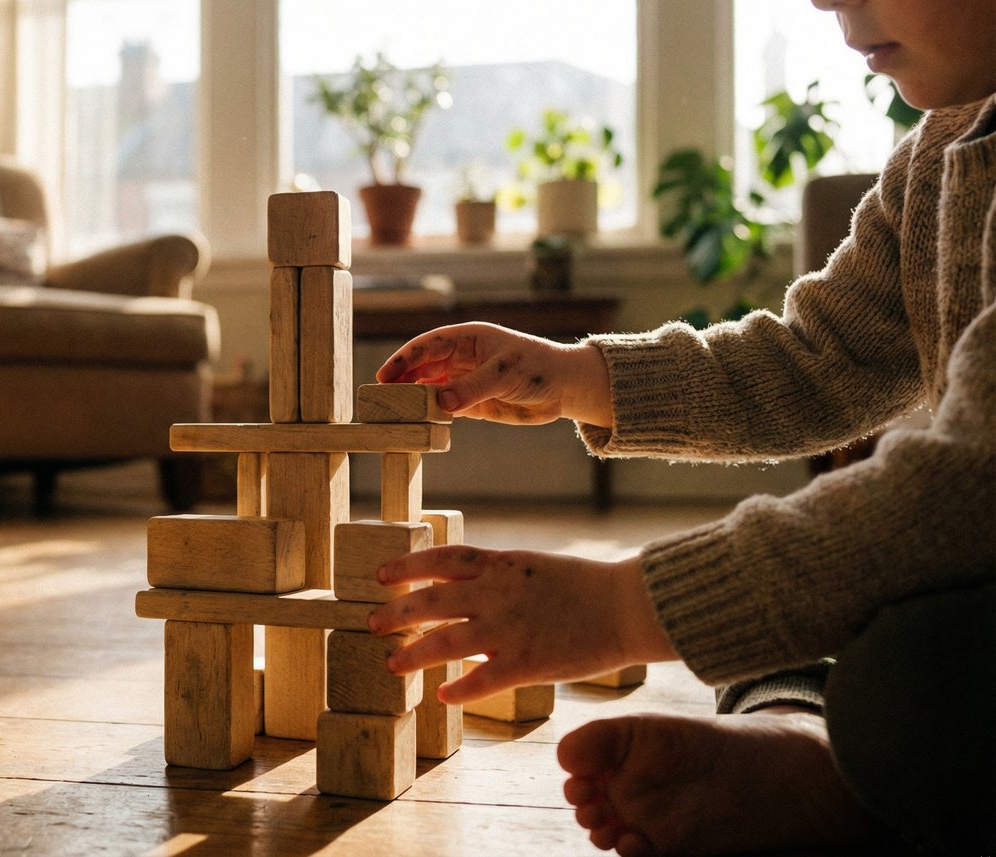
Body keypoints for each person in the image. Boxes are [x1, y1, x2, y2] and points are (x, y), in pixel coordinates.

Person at [366, 1, 996, 853]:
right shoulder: (939, 151)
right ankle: (801, 743)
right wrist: (578, 377)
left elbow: (974, 488)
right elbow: (817, 360)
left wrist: (615, 608)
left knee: (907, 679)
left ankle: (839, 773)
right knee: (767, 619)